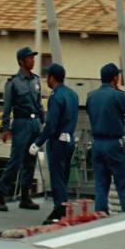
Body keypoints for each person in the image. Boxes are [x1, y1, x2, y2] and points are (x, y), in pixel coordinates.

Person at [0, 47, 45, 212]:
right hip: (21, 123)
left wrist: (43, 122)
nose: (33, 61)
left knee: (30, 160)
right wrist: (5, 128)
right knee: (15, 161)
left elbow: (39, 103)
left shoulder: (36, 80)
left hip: (35, 123)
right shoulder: (13, 82)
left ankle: (25, 197)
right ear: (21, 61)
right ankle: (0, 195)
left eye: (33, 58)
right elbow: (7, 107)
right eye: (30, 58)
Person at [30, 63, 80, 225]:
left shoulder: (56, 96)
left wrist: (37, 143)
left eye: (47, 77)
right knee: (64, 177)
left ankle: (60, 210)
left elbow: (51, 125)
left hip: (57, 142)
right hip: (70, 139)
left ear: (52, 77)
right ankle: (62, 207)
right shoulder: (72, 94)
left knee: (57, 177)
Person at [87, 63, 125, 215]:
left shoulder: (91, 96)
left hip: (97, 144)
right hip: (114, 143)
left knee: (101, 184)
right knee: (124, 184)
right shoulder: (119, 96)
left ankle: (101, 214)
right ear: (115, 78)